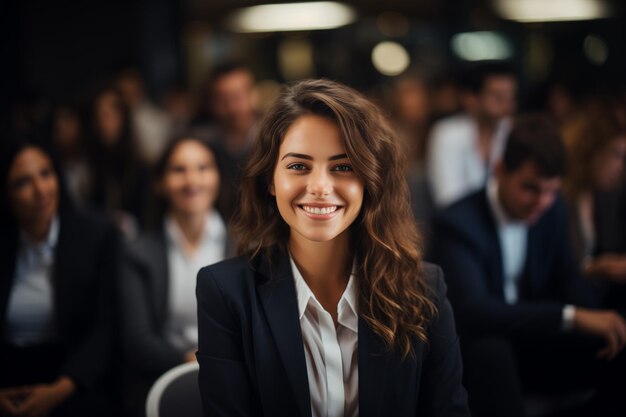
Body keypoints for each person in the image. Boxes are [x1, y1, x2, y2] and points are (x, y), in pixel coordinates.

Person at [196, 79, 470, 417]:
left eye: (343, 167)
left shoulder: (424, 288)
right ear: (270, 179)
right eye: (298, 166)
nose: (320, 187)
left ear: (371, 179)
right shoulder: (225, 293)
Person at [430, 114, 626, 417]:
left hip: (534, 340)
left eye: (551, 191)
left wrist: (602, 308)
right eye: (531, 188)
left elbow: (568, 282)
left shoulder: (553, 208)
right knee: (491, 348)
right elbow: (473, 312)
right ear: (499, 170)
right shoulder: (457, 223)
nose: (541, 202)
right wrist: (573, 317)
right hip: (480, 351)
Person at [0, 138, 119, 417]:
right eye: (22, 182)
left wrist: (58, 392)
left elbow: (106, 328)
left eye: (46, 173)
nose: (41, 189)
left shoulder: (96, 234)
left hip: (72, 378)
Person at [119, 136, 234, 416]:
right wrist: (193, 361)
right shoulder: (138, 251)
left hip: (235, 376)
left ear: (218, 177)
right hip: (163, 377)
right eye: (178, 170)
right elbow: (137, 338)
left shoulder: (248, 245)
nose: (192, 180)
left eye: (203, 167)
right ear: (159, 183)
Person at [426, 61, 517, 208]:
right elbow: (448, 199)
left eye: (510, 97)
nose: (506, 104)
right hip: (457, 225)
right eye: (497, 96)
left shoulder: (513, 132)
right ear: (470, 98)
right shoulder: (447, 133)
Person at [562, 100, 626, 308]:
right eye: (616, 154)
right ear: (590, 151)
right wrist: (593, 269)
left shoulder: (605, 197)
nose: (621, 167)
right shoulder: (553, 199)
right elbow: (550, 274)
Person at [191, 62, 259, 221]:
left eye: (238, 96)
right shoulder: (202, 144)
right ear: (212, 102)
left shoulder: (274, 138)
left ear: (252, 94)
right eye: (223, 99)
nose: (232, 107)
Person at [86, 86, 150, 239]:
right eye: (98, 117)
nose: (104, 123)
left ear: (124, 118)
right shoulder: (91, 166)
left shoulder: (142, 167)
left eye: (109, 115)